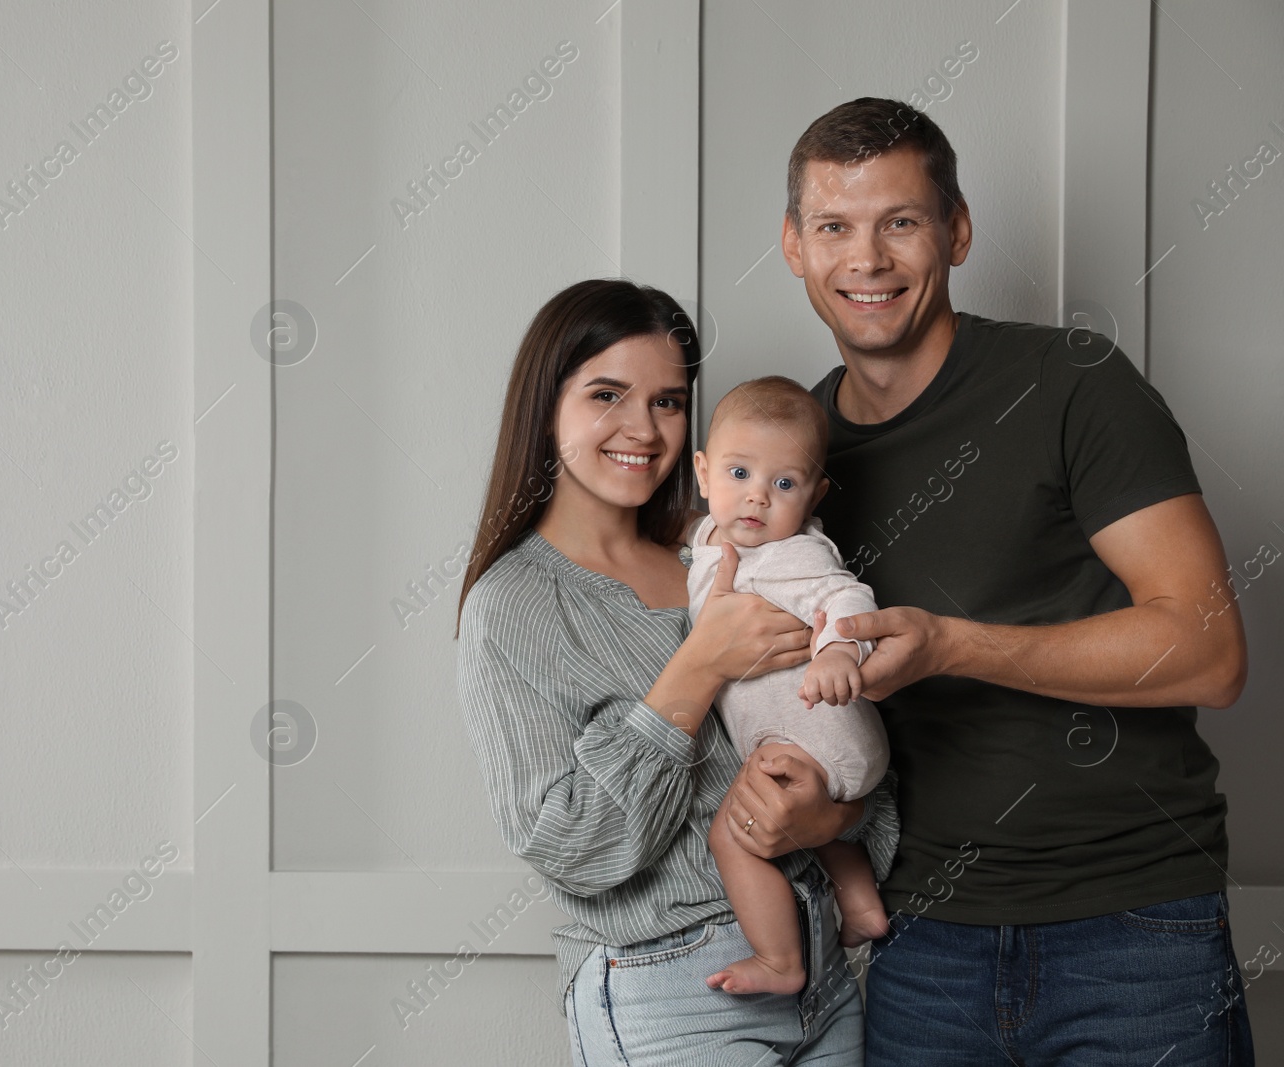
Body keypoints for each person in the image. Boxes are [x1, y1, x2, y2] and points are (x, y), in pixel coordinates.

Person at [775, 96, 1255, 1063]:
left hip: (1132, 929)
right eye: (835, 226)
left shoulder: (1073, 382)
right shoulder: (795, 456)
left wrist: (954, 645)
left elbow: (1210, 651)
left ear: (955, 231)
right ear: (794, 245)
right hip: (920, 944)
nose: (865, 260)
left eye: (899, 222)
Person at [455, 278, 898, 1064]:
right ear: (545, 405)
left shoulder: (736, 556)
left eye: (667, 400)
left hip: (825, 973)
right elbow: (570, 845)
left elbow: (842, 739)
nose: (642, 427)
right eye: (606, 394)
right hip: (672, 990)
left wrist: (830, 823)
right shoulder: (514, 605)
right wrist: (695, 670)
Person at [685, 376, 891, 996]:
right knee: (812, 823)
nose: (757, 499)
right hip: (809, 745)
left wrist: (835, 651)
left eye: (783, 484)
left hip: (820, 728)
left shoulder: (791, 556)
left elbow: (848, 594)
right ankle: (860, 904)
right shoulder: (711, 541)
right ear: (702, 473)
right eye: (739, 474)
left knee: (735, 835)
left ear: (814, 494)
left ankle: (781, 962)